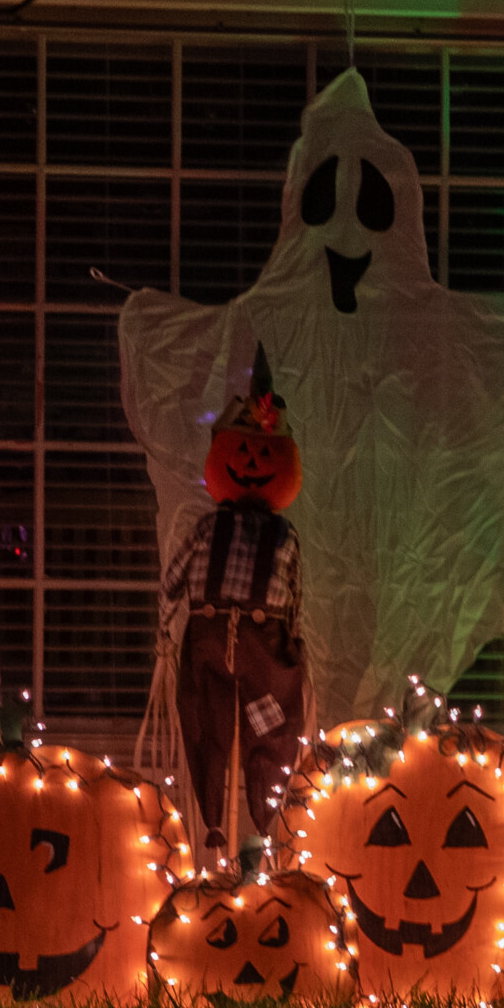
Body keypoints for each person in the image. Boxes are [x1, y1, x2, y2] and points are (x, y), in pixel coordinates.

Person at [158, 349, 305, 877]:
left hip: (233, 635)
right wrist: (166, 632)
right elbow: (290, 593)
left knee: (254, 722)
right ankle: (221, 817)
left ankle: (259, 820)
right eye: (242, 450)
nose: (250, 462)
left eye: (263, 453)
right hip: (228, 635)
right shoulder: (220, 529)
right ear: (224, 452)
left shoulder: (266, 534)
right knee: (213, 719)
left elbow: (175, 579)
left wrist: (168, 617)